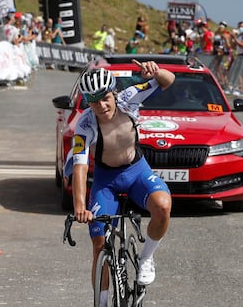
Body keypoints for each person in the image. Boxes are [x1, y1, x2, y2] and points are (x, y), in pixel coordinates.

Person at [68, 60, 175, 304]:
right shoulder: (84, 126)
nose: (101, 105)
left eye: (105, 98)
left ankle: (146, 257)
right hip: (106, 182)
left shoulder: (130, 97)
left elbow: (168, 82)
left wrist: (156, 71)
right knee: (99, 245)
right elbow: (80, 168)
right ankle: (102, 301)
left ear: (113, 93)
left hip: (137, 171)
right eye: (93, 101)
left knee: (163, 206)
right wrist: (80, 207)